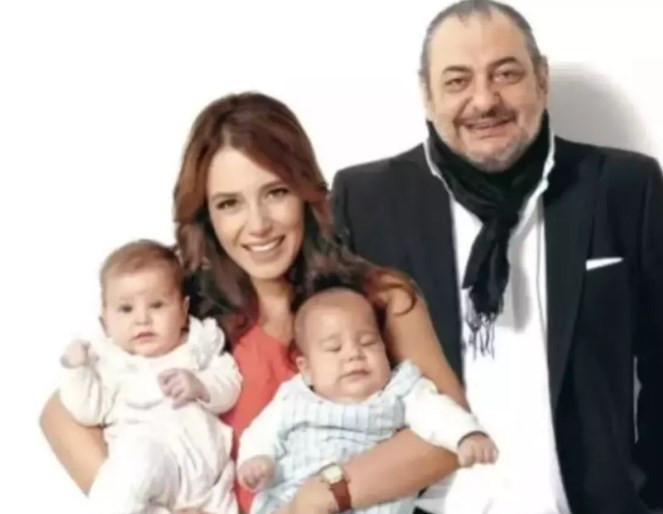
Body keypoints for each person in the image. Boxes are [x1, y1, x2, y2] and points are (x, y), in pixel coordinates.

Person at [40, 92, 473, 514]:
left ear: (304, 191)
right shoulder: (189, 318)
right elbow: (60, 416)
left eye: (275, 192)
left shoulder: (379, 299)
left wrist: (325, 493)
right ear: (207, 216)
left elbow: (447, 437)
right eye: (230, 204)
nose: (258, 225)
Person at [331, 1, 663, 513]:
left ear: (542, 80)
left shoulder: (624, 187)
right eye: (457, 81)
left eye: (506, 74)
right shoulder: (366, 201)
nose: (484, 100)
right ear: (427, 95)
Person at [237, 280, 497, 514]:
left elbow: (438, 412)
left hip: (371, 499)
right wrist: (257, 460)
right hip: (292, 499)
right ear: (306, 369)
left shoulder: (400, 388)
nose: (354, 354)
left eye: (368, 342)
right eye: (334, 348)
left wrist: (466, 435)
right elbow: (262, 432)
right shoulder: (294, 397)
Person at [58, 239, 241, 514]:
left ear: (183, 310)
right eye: (126, 309)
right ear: (105, 320)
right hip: (148, 465)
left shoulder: (199, 343)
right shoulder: (110, 362)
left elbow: (231, 383)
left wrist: (201, 386)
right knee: (126, 478)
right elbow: (88, 410)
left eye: (157, 305)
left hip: (207, 473)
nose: (142, 319)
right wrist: (76, 371)